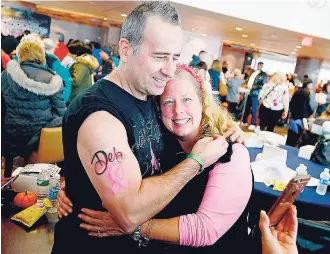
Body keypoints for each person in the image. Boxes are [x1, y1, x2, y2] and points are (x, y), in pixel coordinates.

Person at [51, 2, 245, 253]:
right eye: (159, 56)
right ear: (126, 49)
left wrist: (230, 131)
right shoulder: (100, 115)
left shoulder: (149, 97)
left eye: (175, 57)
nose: (169, 69)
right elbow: (129, 214)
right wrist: (197, 161)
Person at [1, 36, 66, 160]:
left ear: (20, 54)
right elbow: (61, 113)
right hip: (39, 138)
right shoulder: (54, 80)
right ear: (42, 55)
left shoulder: (6, 75)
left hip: (10, 133)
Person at [43, 38, 72, 103]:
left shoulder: (32, 60)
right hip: (51, 101)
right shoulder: (55, 62)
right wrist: (62, 100)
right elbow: (67, 82)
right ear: (54, 48)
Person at [242, 62, 268, 130]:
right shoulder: (253, 72)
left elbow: (263, 85)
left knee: (254, 109)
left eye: (260, 65)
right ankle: (244, 121)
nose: (259, 66)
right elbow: (249, 80)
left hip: (256, 93)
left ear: (262, 66)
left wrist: (253, 86)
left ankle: (253, 123)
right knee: (247, 107)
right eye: (258, 65)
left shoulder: (263, 75)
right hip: (249, 92)